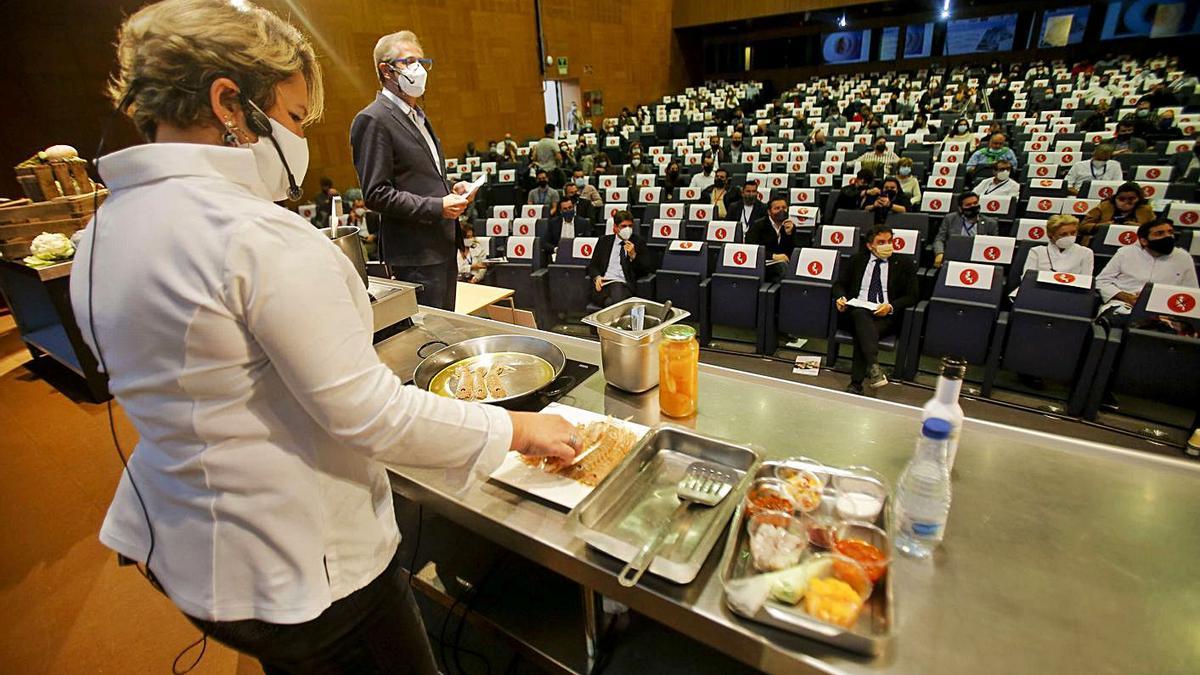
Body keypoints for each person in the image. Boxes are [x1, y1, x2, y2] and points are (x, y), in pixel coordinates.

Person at [73, 3, 579, 673]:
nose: (301, 138)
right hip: (305, 569)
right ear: (229, 102)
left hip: (193, 552)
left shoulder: (103, 230)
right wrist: (517, 432)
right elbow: (370, 414)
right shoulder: (254, 236)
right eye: (291, 116)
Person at [351, 31, 476, 310]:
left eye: (421, 61)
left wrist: (451, 189)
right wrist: (437, 206)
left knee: (447, 329)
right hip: (416, 254)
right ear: (386, 70)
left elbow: (418, 175)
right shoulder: (373, 119)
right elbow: (376, 193)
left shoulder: (418, 115)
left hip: (441, 244)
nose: (418, 69)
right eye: (408, 61)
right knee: (429, 339)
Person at [834, 225, 919, 394]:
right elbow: (839, 284)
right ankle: (873, 366)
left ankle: (857, 383)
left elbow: (913, 295)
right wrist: (840, 297)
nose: (887, 245)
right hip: (856, 311)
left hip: (885, 316)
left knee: (863, 333)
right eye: (881, 242)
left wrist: (890, 307)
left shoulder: (904, 264)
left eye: (890, 241)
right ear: (869, 245)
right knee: (860, 316)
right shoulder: (856, 260)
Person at [1095, 218, 1198, 325]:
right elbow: (1101, 281)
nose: (1168, 236)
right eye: (1160, 233)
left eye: (1170, 232)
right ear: (1144, 241)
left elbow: (1191, 292)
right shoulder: (1126, 253)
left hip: (1164, 311)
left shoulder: (1183, 257)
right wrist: (1125, 296)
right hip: (1124, 305)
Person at [586, 211, 652, 307]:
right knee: (612, 300)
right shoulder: (604, 241)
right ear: (615, 227)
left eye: (630, 226)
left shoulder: (638, 242)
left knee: (613, 296)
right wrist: (597, 277)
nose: (627, 229)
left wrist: (633, 256)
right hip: (603, 285)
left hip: (624, 286)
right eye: (624, 226)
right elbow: (592, 266)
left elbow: (646, 270)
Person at [933, 192, 999, 266]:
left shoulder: (990, 223)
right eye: (968, 205)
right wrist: (939, 253)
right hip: (955, 257)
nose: (973, 206)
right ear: (960, 208)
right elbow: (939, 239)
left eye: (975, 203)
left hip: (978, 259)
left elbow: (993, 246)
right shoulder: (950, 219)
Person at [746, 196, 801, 280]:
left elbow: (792, 251)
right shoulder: (758, 225)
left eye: (784, 208)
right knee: (782, 268)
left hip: (784, 263)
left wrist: (788, 234)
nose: (781, 211)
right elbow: (751, 249)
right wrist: (773, 256)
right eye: (777, 208)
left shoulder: (789, 225)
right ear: (769, 211)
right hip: (764, 263)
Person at [1022, 215, 1094, 276]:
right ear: (1051, 236)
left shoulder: (1086, 253)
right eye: (1063, 234)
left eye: (1073, 233)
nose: (1069, 236)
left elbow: (1086, 281)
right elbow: (1027, 278)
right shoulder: (1036, 252)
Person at [1080, 181, 1155, 237]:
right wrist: (1102, 226)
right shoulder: (1104, 206)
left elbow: (1155, 229)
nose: (1126, 202)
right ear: (1116, 197)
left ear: (1139, 199)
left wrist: (1140, 227)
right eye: (1122, 199)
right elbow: (1082, 227)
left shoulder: (1146, 210)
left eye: (1131, 199)